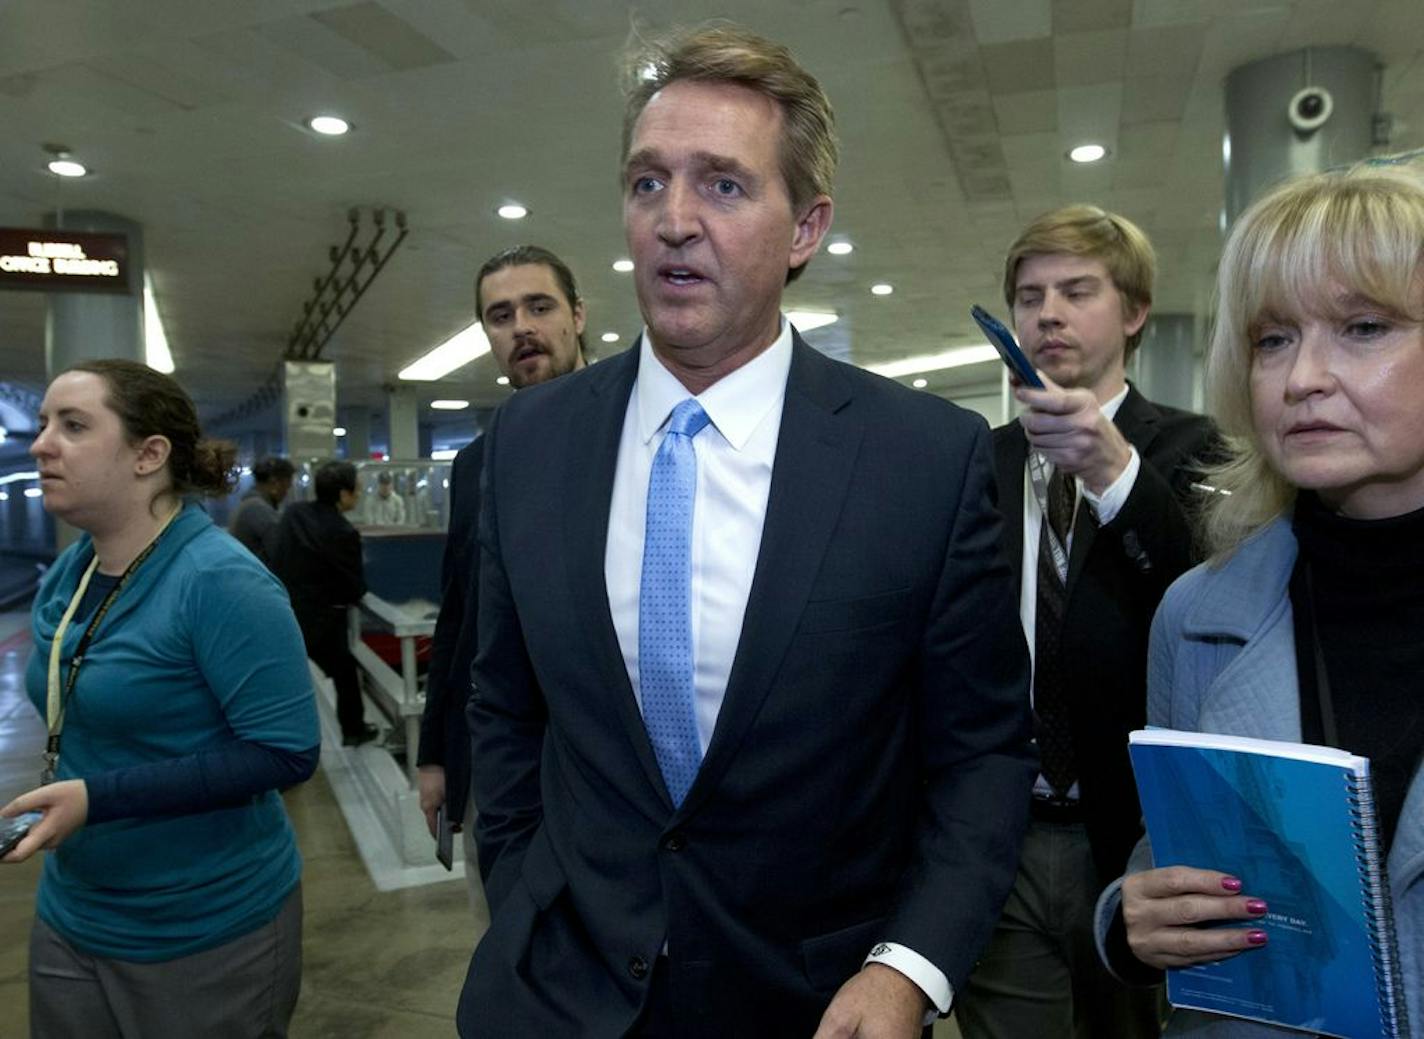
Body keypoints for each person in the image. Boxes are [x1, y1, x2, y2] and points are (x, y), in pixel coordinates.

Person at [458, 25, 1035, 1038]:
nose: (673, 220)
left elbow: (980, 750)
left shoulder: (922, 458)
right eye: (647, 183)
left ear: (804, 228)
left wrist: (907, 969)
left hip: (814, 997)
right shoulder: (530, 443)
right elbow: (504, 705)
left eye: (722, 186)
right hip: (558, 989)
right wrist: (518, 887)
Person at [1097, 156, 1424, 1033]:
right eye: (1273, 338)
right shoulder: (1197, 615)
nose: (1302, 376)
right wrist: (1132, 922)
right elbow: (1177, 856)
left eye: (1362, 327)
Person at [957, 206, 1218, 1037]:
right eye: (1029, 295)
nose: (1048, 314)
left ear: (1134, 310)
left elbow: (1197, 594)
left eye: (1077, 290)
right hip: (1004, 833)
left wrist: (1112, 472)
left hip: (1140, 836)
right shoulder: (981, 463)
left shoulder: (1195, 451)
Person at [1, 358, 318, 1037]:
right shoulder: (75, 566)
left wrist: (98, 797)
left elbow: (285, 752)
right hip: (75, 910)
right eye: (45, 422)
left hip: (204, 929)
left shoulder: (222, 582)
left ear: (148, 455)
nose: (41, 443)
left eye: (74, 425)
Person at [417, 244, 587, 906]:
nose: (521, 327)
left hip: (611, 759)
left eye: (539, 306)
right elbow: (460, 610)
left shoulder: (640, 431)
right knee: (513, 936)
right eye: (500, 315)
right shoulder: (477, 464)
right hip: (506, 759)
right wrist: (437, 753)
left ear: (576, 315)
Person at [269, 460, 375, 746]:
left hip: (284, 613)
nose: (360, 494)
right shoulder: (343, 532)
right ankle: (353, 731)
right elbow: (354, 587)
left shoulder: (294, 514)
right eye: (357, 490)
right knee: (346, 673)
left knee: (286, 682)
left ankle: (281, 740)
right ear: (343, 494)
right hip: (323, 621)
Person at [228, 454, 294, 564]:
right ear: (275, 483)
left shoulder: (247, 504)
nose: (285, 494)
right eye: (286, 488)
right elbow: (283, 555)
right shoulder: (259, 510)